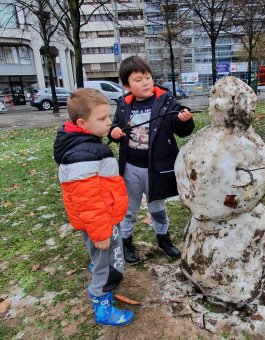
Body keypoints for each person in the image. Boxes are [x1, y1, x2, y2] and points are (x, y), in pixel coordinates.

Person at [53, 88, 134, 327]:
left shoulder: (82, 144)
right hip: (102, 223)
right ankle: (102, 303)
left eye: (108, 116)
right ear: (82, 123)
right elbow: (87, 199)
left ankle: (97, 263)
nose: (109, 122)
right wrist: (101, 231)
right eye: (102, 119)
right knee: (110, 265)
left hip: (95, 220)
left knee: (98, 255)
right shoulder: (84, 154)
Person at [109, 56, 195, 265]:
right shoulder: (123, 105)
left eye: (147, 77)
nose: (146, 82)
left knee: (157, 207)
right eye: (138, 79)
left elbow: (182, 130)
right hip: (130, 168)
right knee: (128, 209)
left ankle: (163, 238)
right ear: (127, 85)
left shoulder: (166, 101)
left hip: (156, 169)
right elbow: (113, 129)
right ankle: (126, 241)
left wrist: (185, 120)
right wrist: (114, 132)